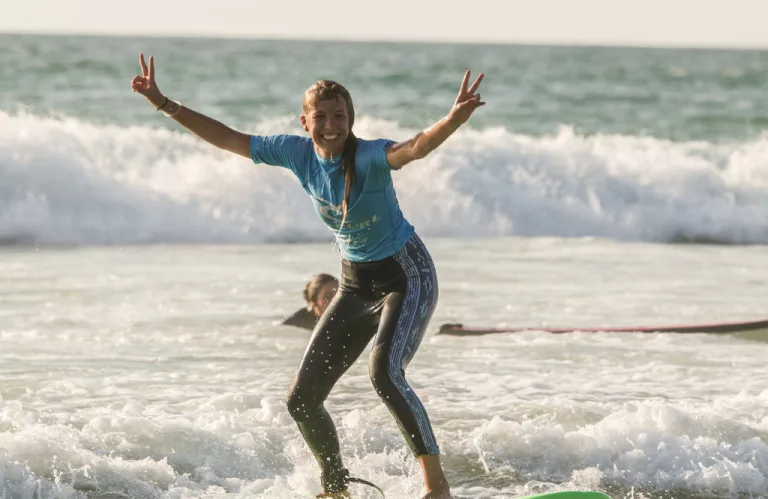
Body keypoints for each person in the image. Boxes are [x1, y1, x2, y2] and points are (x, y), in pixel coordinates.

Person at [131, 53, 484, 499]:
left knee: (385, 374)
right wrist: (163, 103)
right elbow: (228, 138)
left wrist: (453, 120)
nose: (331, 125)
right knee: (301, 399)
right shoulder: (296, 153)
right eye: (321, 117)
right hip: (355, 283)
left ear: (351, 119)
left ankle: (437, 488)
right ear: (305, 121)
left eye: (340, 116)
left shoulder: (371, 156)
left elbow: (415, 147)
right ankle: (336, 488)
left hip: (405, 274)